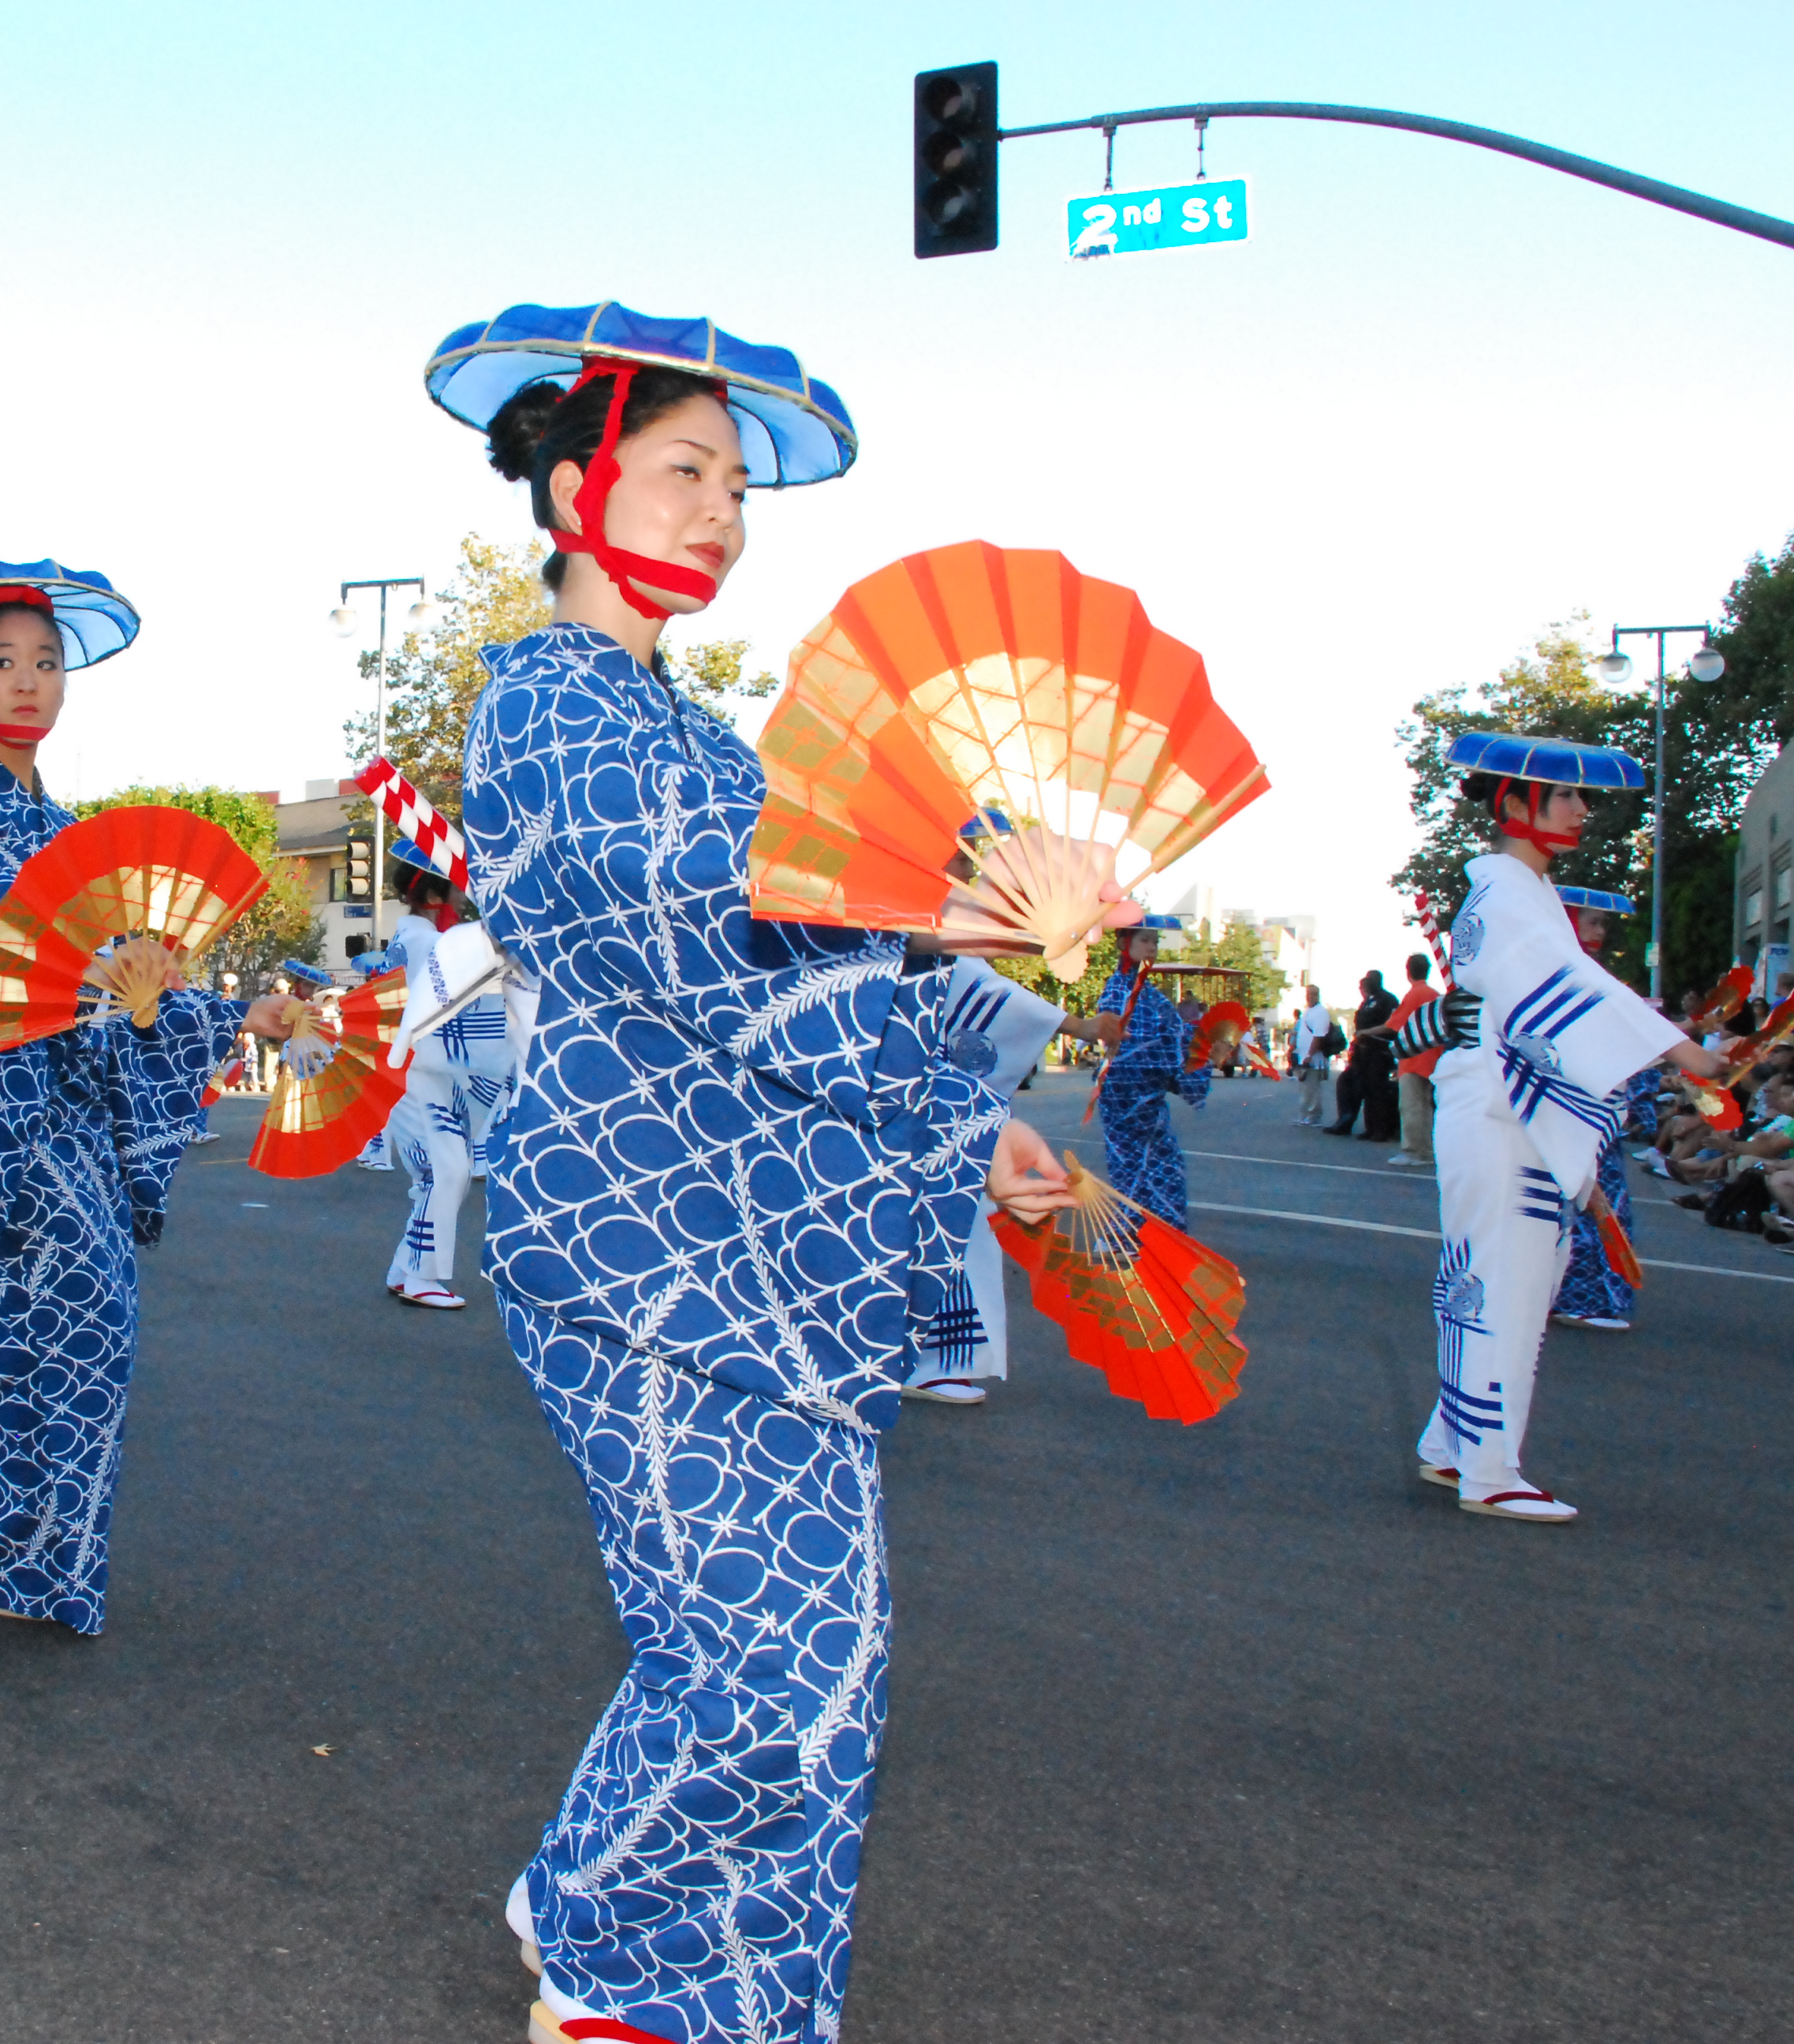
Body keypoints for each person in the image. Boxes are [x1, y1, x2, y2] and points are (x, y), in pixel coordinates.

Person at [429, 302, 1073, 2044]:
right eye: (684, 470)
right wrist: (961, 888)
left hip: (763, 1252)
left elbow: (808, 984)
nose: (722, 510)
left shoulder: (692, 728)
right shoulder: (547, 712)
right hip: (639, 1256)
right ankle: (618, 1965)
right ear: (577, 486)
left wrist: (969, 1123)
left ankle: (596, 1905)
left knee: (805, 1661)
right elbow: (701, 903)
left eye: (735, 484)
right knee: (763, 1666)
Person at [0, 561, 306, 1628]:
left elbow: (97, 992)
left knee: (20, 1335)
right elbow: (8, 985)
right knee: (40, 1333)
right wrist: (190, 1012)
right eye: (3, 661)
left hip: (55, 1125)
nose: (29, 681)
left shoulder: (50, 825)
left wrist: (193, 1009)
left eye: (47, 663)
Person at [1393, 733, 1719, 1523]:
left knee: (1490, 1283)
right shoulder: (1508, 898)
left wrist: (1675, 1046)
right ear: (1513, 805)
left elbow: (1571, 992)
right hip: (1498, 1113)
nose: (1580, 808)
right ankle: (1490, 1472)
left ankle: (1452, 1447)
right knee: (1501, 1285)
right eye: (1564, 794)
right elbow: (1574, 993)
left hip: (1499, 1109)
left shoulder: (1513, 895)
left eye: (1581, 796)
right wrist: (1682, 1051)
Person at [905, 949, 1069, 1407]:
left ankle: (925, 1359)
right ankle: (930, 1363)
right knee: (949, 1234)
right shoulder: (926, 939)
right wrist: (1080, 1027)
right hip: (924, 1119)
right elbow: (986, 992)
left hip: (929, 1117)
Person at [379, 840, 515, 1311]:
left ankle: (407, 1270)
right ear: (436, 893)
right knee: (446, 1172)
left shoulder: (414, 936)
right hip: (419, 1073)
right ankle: (421, 1277)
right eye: (456, 886)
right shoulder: (425, 941)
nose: (463, 895)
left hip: (427, 1072)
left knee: (441, 1174)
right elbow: (441, 1002)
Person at [1540, 891, 1647, 1330]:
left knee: (1587, 1203)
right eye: (1593, 923)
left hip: (1587, 1108)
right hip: (1581, 1110)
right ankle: (1581, 1299)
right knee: (1591, 1205)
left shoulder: (1575, 975)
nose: (1601, 932)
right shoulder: (1567, 977)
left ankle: (1557, 1292)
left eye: (1603, 923)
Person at [1057, 917, 1208, 1226]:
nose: (1152, 947)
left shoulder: (1148, 992)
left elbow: (1169, 1037)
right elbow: (1129, 1041)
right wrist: (1177, 1052)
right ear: (1123, 944)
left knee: (1157, 1164)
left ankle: (1152, 1232)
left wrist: (1199, 1045)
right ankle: (1136, 1232)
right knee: (1134, 1166)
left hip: (1146, 1094)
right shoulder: (1118, 989)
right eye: (1145, 940)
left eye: (1155, 941)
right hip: (1126, 1094)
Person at [1326, 968, 1399, 1139]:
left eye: (1370, 980)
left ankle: (1380, 1130)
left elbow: (1392, 1026)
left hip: (1379, 1052)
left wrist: (1368, 1033)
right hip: (1362, 1052)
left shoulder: (1388, 1000)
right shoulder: (1367, 1001)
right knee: (1349, 1083)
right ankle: (1347, 1122)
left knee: (1377, 1090)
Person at [1386, 954, 1441, 1164]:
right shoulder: (1435, 995)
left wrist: (1365, 1032)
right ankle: (1426, 1150)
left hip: (1412, 1058)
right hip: (1433, 1057)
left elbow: (1394, 1025)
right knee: (1426, 1107)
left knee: (1410, 1106)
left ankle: (1412, 1151)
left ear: (1408, 970)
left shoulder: (1414, 995)